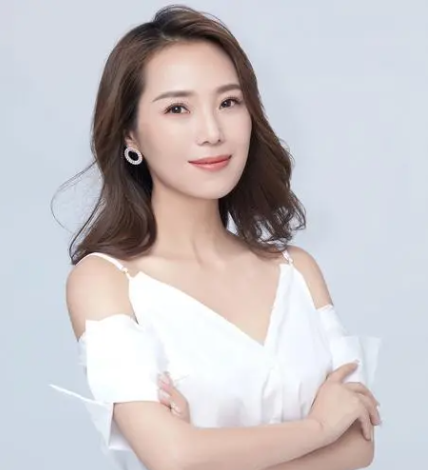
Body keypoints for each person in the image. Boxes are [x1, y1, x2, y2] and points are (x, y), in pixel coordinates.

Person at [51, 5, 381, 470]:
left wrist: (211, 451)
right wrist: (319, 428)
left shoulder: (297, 271)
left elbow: (360, 443)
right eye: (177, 109)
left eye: (228, 102)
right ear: (130, 135)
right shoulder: (105, 281)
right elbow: (173, 456)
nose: (212, 132)